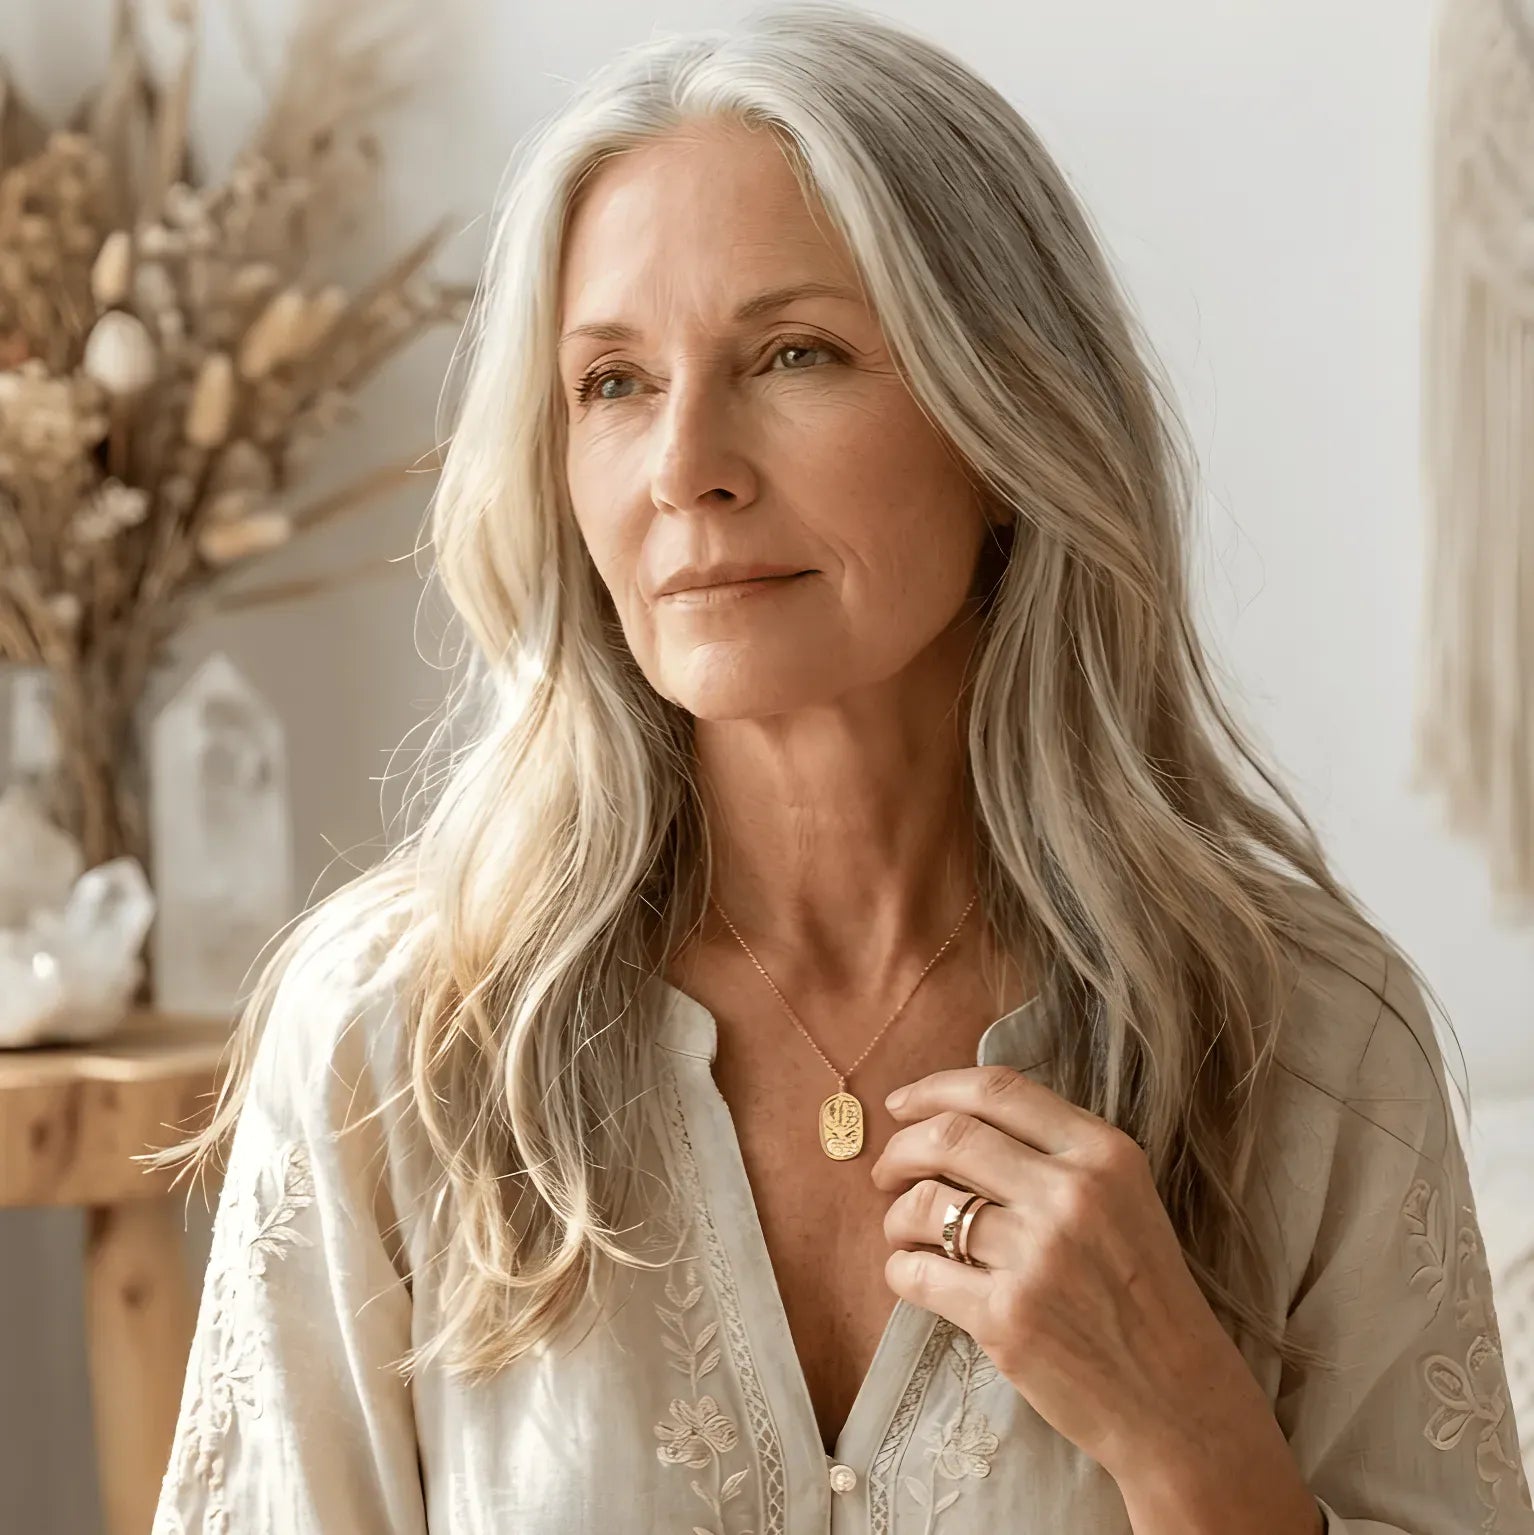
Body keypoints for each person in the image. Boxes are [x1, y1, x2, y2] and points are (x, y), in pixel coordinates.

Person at [145, 4, 1534, 1533]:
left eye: (792, 353)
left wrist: (1196, 1448)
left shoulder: (1312, 1054)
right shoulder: (394, 1043)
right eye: (611, 382)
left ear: (1003, 421)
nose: (684, 468)